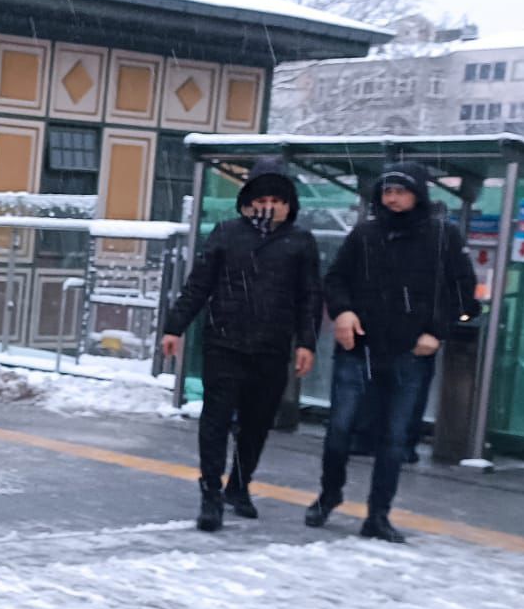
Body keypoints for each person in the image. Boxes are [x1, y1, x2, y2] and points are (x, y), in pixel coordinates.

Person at [306, 161, 477, 543]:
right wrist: (343, 311)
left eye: (401, 191)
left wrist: (437, 331)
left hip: (411, 353)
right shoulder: (365, 235)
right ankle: (328, 493)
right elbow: (335, 279)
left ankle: (378, 514)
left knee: (396, 438)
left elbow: (465, 293)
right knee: (339, 430)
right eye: (387, 191)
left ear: (418, 194)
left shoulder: (443, 238)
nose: (393, 198)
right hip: (359, 348)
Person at [159, 158, 321, 532]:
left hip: (272, 346)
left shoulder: (300, 242)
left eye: (277, 199)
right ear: (248, 201)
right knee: (215, 420)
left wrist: (306, 342)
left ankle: (240, 485)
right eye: (261, 198)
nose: (269, 206)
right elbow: (199, 284)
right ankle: (210, 495)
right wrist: (175, 326)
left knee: (257, 423)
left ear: (289, 204)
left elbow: (309, 297)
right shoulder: (227, 234)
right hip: (225, 342)